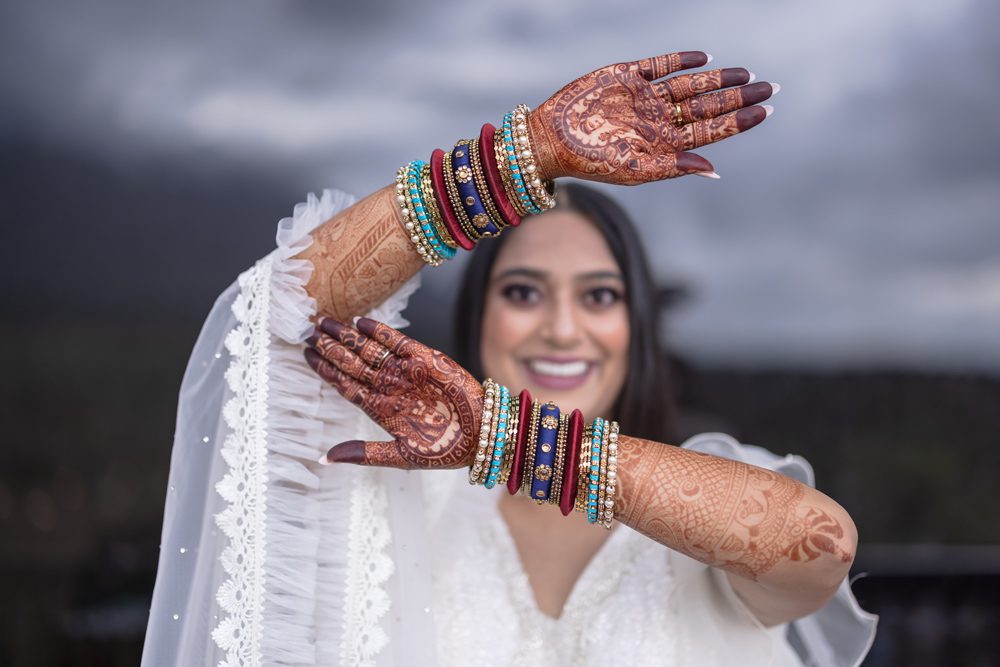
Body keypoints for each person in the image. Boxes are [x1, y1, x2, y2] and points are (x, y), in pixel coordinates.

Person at [143, 51, 876, 666]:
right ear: (479, 311)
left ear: (637, 325)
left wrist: (513, 440)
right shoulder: (397, 506)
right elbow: (285, 315)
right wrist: (524, 153)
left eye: (598, 297)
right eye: (525, 291)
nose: (561, 328)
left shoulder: (706, 512)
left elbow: (821, 545)